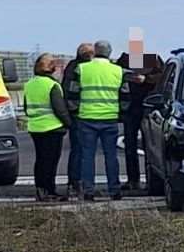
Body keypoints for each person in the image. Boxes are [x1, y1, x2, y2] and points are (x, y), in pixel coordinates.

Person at [67, 40, 129, 202]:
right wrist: (121, 114)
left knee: (87, 156)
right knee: (111, 156)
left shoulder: (81, 69)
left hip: (86, 118)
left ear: (95, 52)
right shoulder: (118, 71)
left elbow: (73, 94)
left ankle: (88, 191)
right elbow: (125, 96)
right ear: (109, 53)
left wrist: (75, 112)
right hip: (110, 118)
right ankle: (114, 190)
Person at [23, 54, 70, 201]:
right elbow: (60, 109)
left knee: (41, 160)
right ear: (51, 67)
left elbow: (25, 107)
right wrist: (70, 124)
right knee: (51, 161)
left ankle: (40, 190)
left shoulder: (29, 84)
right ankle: (49, 190)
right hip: (52, 127)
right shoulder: (52, 85)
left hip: (35, 127)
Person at [115, 51, 163, 191]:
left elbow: (162, 77)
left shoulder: (152, 60)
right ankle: (133, 180)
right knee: (130, 145)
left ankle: (152, 181)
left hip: (148, 107)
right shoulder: (124, 60)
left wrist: (146, 79)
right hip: (131, 108)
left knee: (150, 146)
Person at [60, 42, 95, 198]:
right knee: (81, 151)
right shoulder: (79, 68)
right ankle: (78, 184)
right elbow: (71, 94)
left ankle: (76, 184)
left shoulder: (72, 67)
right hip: (85, 116)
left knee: (79, 151)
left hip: (80, 115)